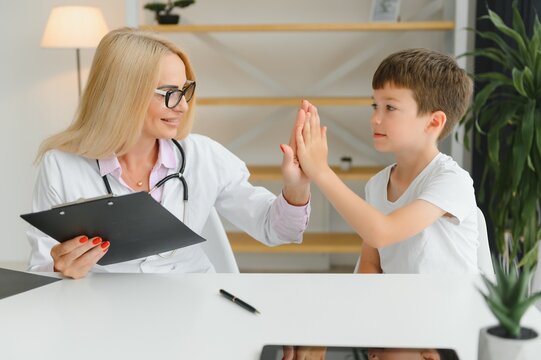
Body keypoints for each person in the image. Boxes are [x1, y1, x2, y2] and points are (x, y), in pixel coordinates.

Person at [27, 27, 311, 278]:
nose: (183, 106)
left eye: (184, 91)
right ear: (124, 95)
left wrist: (296, 188)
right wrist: (59, 269)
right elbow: (41, 267)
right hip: (107, 315)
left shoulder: (203, 156)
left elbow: (274, 229)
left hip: (193, 307)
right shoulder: (62, 167)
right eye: (168, 93)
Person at [294, 48, 478, 274]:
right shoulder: (378, 184)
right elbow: (371, 263)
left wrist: (321, 172)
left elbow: (382, 233)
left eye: (390, 108)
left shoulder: (452, 181)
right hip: (398, 306)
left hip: (446, 308)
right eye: (375, 106)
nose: (375, 119)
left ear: (433, 122)